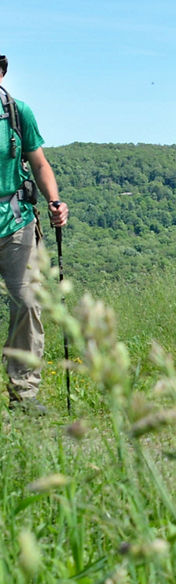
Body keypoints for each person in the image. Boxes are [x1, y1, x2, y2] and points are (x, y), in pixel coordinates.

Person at [0, 55, 68, 414]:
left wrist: (55, 201)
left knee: (27, 303)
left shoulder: (16, 112)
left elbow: (39, 163)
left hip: (16, 221)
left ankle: (24, 394)